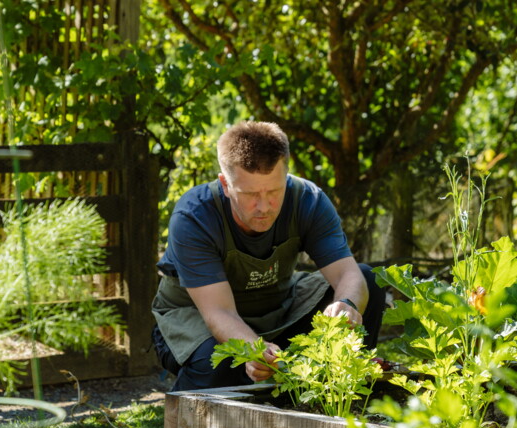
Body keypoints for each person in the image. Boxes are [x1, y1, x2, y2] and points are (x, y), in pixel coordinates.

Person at [151, 121, 386, 391]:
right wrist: (254, 350)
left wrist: (347, 304)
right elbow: (218, 312)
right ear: (225, 184)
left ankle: (341, 397)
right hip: (195, 319)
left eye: (274, 192)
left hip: (278, 312)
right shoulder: (195, 216)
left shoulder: (309, 200)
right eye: (250, 194)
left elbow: (348, 274)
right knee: (223, 360)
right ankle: (189, 419)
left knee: (370, 280)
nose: (264, 207)